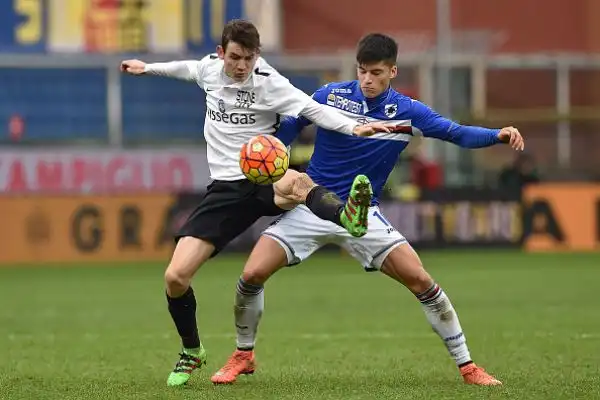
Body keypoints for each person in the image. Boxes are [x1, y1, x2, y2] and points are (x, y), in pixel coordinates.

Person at [212, 33, 525, 386]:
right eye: (362, 71)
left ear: (393, 70)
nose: (367, 80)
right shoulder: (329, 95)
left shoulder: (408, 112)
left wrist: (497, 134)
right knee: (251, 275)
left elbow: (456, 133)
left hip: (362, 215)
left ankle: (468, 368)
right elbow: (290, 128)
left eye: (376, 73)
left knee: (422, 281)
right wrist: (263, 150)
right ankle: (243, 355)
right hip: (313, 205)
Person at [120, 20, 391, 387]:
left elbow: (312, 109)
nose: (242, 66)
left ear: (257, 56)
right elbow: (185, 68)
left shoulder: (270, 82)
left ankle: (347, 216)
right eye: (235, 58)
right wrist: (146, 68)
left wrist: (353, 127)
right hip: (225, 189)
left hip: (266, 175)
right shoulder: (209, 71)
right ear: (221, 54)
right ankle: (191, 351)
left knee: (296, 182)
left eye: (249, 58)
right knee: (175, 277)